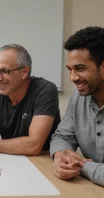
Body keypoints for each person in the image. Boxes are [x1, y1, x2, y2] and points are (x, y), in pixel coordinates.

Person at [0, 44, 61, 157]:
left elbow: (34, 145)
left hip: (43, 160)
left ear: (24, 72)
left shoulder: (45, 90)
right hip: (10, 158)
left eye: (5, 71)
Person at [50, 26, 104, 186]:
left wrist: (82, 166)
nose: (72, 77)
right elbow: (63, 136)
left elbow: (85, 166)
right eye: (70, 70)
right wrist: (61, 157)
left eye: (80, 68)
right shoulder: (79, 98)